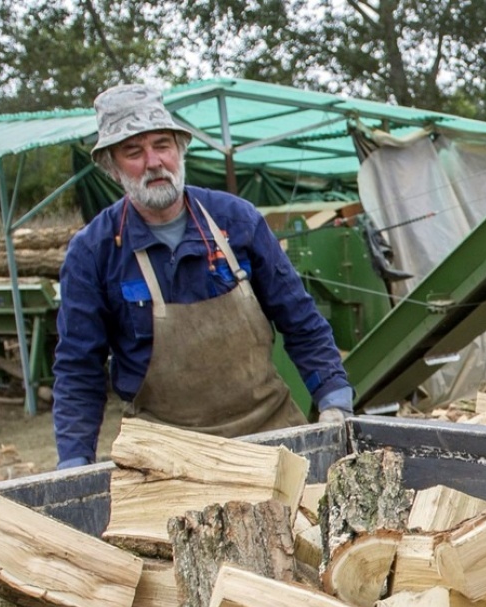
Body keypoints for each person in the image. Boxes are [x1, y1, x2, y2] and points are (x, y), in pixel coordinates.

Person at [52, 84, 353, 468]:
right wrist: (74, 461)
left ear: (180, 149)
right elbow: (79, 368)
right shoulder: (93, 252)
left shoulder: (236, 220)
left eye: (162, 145)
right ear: (112, 167)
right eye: (134, 152)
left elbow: (301, 320)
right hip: (167, 452)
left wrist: (334, 400)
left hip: (268, 433)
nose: (153, 162)